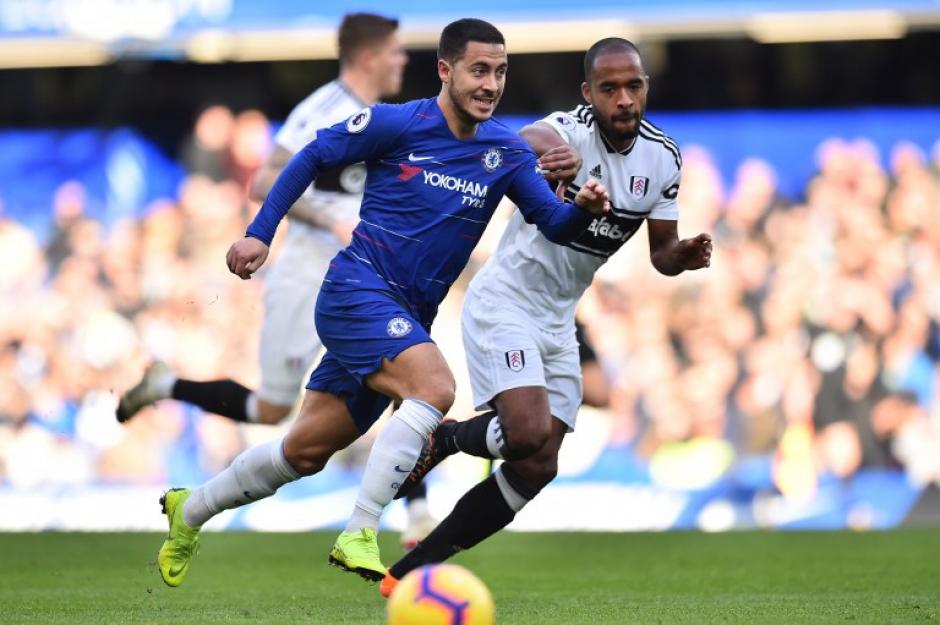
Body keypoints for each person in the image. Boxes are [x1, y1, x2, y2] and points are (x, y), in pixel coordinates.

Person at [154, 17, 611, 589]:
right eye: (478, 70)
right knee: (435, 388)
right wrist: (260, 234)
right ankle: (361, 531)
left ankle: (190, 509)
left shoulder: (506, 152)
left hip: (406, 315)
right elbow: (310, 156)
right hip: (356, 291)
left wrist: (586, 209)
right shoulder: (400, 123)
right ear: (446, 71)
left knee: (304, 451)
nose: (491, 84)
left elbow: (553, 222)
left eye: (499, 72)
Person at [378, 37, 712, 596]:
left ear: (646, 87)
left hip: (559, 320)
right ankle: (445, 441)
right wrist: (546, 154)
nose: (624, 99)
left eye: (633, 86)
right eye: (609, 89)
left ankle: (408, 574)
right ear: (589, 94)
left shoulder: (665, 159)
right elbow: (526, 137)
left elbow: (660, 253)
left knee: (538, 465)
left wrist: (682, 257)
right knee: (526, 431)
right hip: (505, 303)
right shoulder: (570, 131)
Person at [115, 13, 434, 547]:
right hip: (308, 272)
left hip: (365, 276)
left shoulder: (391, 117)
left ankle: (418, 512)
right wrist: (329, 218)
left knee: (411, 367)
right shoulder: (324, 110)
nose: (404, 60)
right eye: (397, 51)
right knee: (271, 409)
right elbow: (265, 179)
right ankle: (167, 385)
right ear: (370, 55)